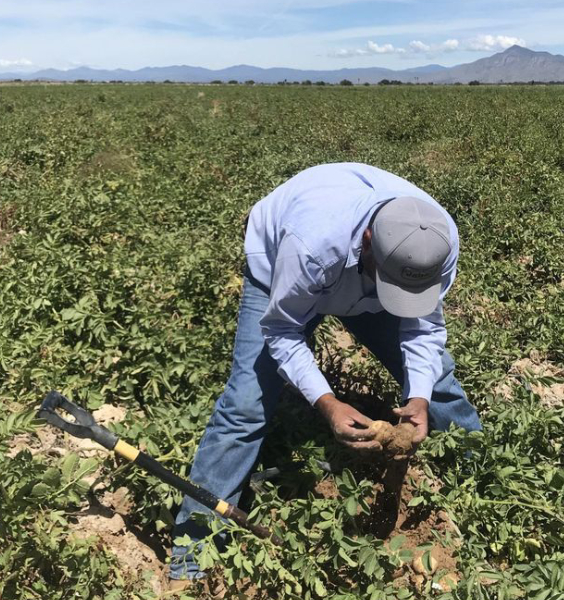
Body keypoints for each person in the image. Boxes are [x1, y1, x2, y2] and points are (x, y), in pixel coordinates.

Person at [169, 162, 482, 582]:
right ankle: (193, 562)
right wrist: (327, 402)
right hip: (283, 268)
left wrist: (419, 397)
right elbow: (282, 329)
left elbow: (423, 327)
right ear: (368, 242)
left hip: (358, 276)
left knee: (438, 381)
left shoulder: (436, 242)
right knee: (246, 405)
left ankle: (483, 484)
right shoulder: (312, 244)